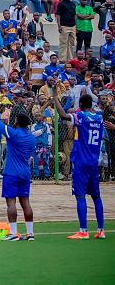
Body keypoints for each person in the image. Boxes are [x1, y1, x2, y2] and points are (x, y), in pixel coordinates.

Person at [53, 90, 106, 240]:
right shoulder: (99, 118)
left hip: (81, 162)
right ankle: (101, 230)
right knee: (96, 196)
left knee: (80, 196)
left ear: (81, 104)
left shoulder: (80, 116)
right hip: (94, 162)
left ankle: (83, 231)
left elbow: (63, 115)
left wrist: (55, 98)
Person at [0, 96, 36, 241]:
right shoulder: (31, 138)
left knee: (11, 203)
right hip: (25, 173)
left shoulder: (13, 133)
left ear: (17, 122)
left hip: (11, 173)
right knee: (25, 202)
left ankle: (13, 233)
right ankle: (30, 233)